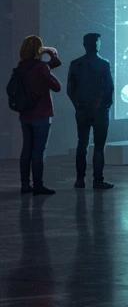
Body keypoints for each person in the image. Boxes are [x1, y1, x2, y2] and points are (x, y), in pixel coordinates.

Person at [12, 36, 61, 195]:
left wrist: (49, 57)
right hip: (41, 114)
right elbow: (56, 86)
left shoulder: (21, 67)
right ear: (38, 50)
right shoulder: (40, 67)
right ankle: (38, 185)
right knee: (38, 151)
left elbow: (45, 68)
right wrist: (51, 53)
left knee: (27, 149)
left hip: (25, 114)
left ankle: (25, 184)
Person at [66, 32, 114, 189]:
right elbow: (108, 88)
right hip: (99, 112)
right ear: (97, 44)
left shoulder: (75, 64)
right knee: (99, 146)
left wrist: (78, 104)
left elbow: (70, 90)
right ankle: (97, 180)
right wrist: (103, 105)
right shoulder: (104, 64)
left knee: (82, 143)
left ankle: (80, 179)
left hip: (82, 111)